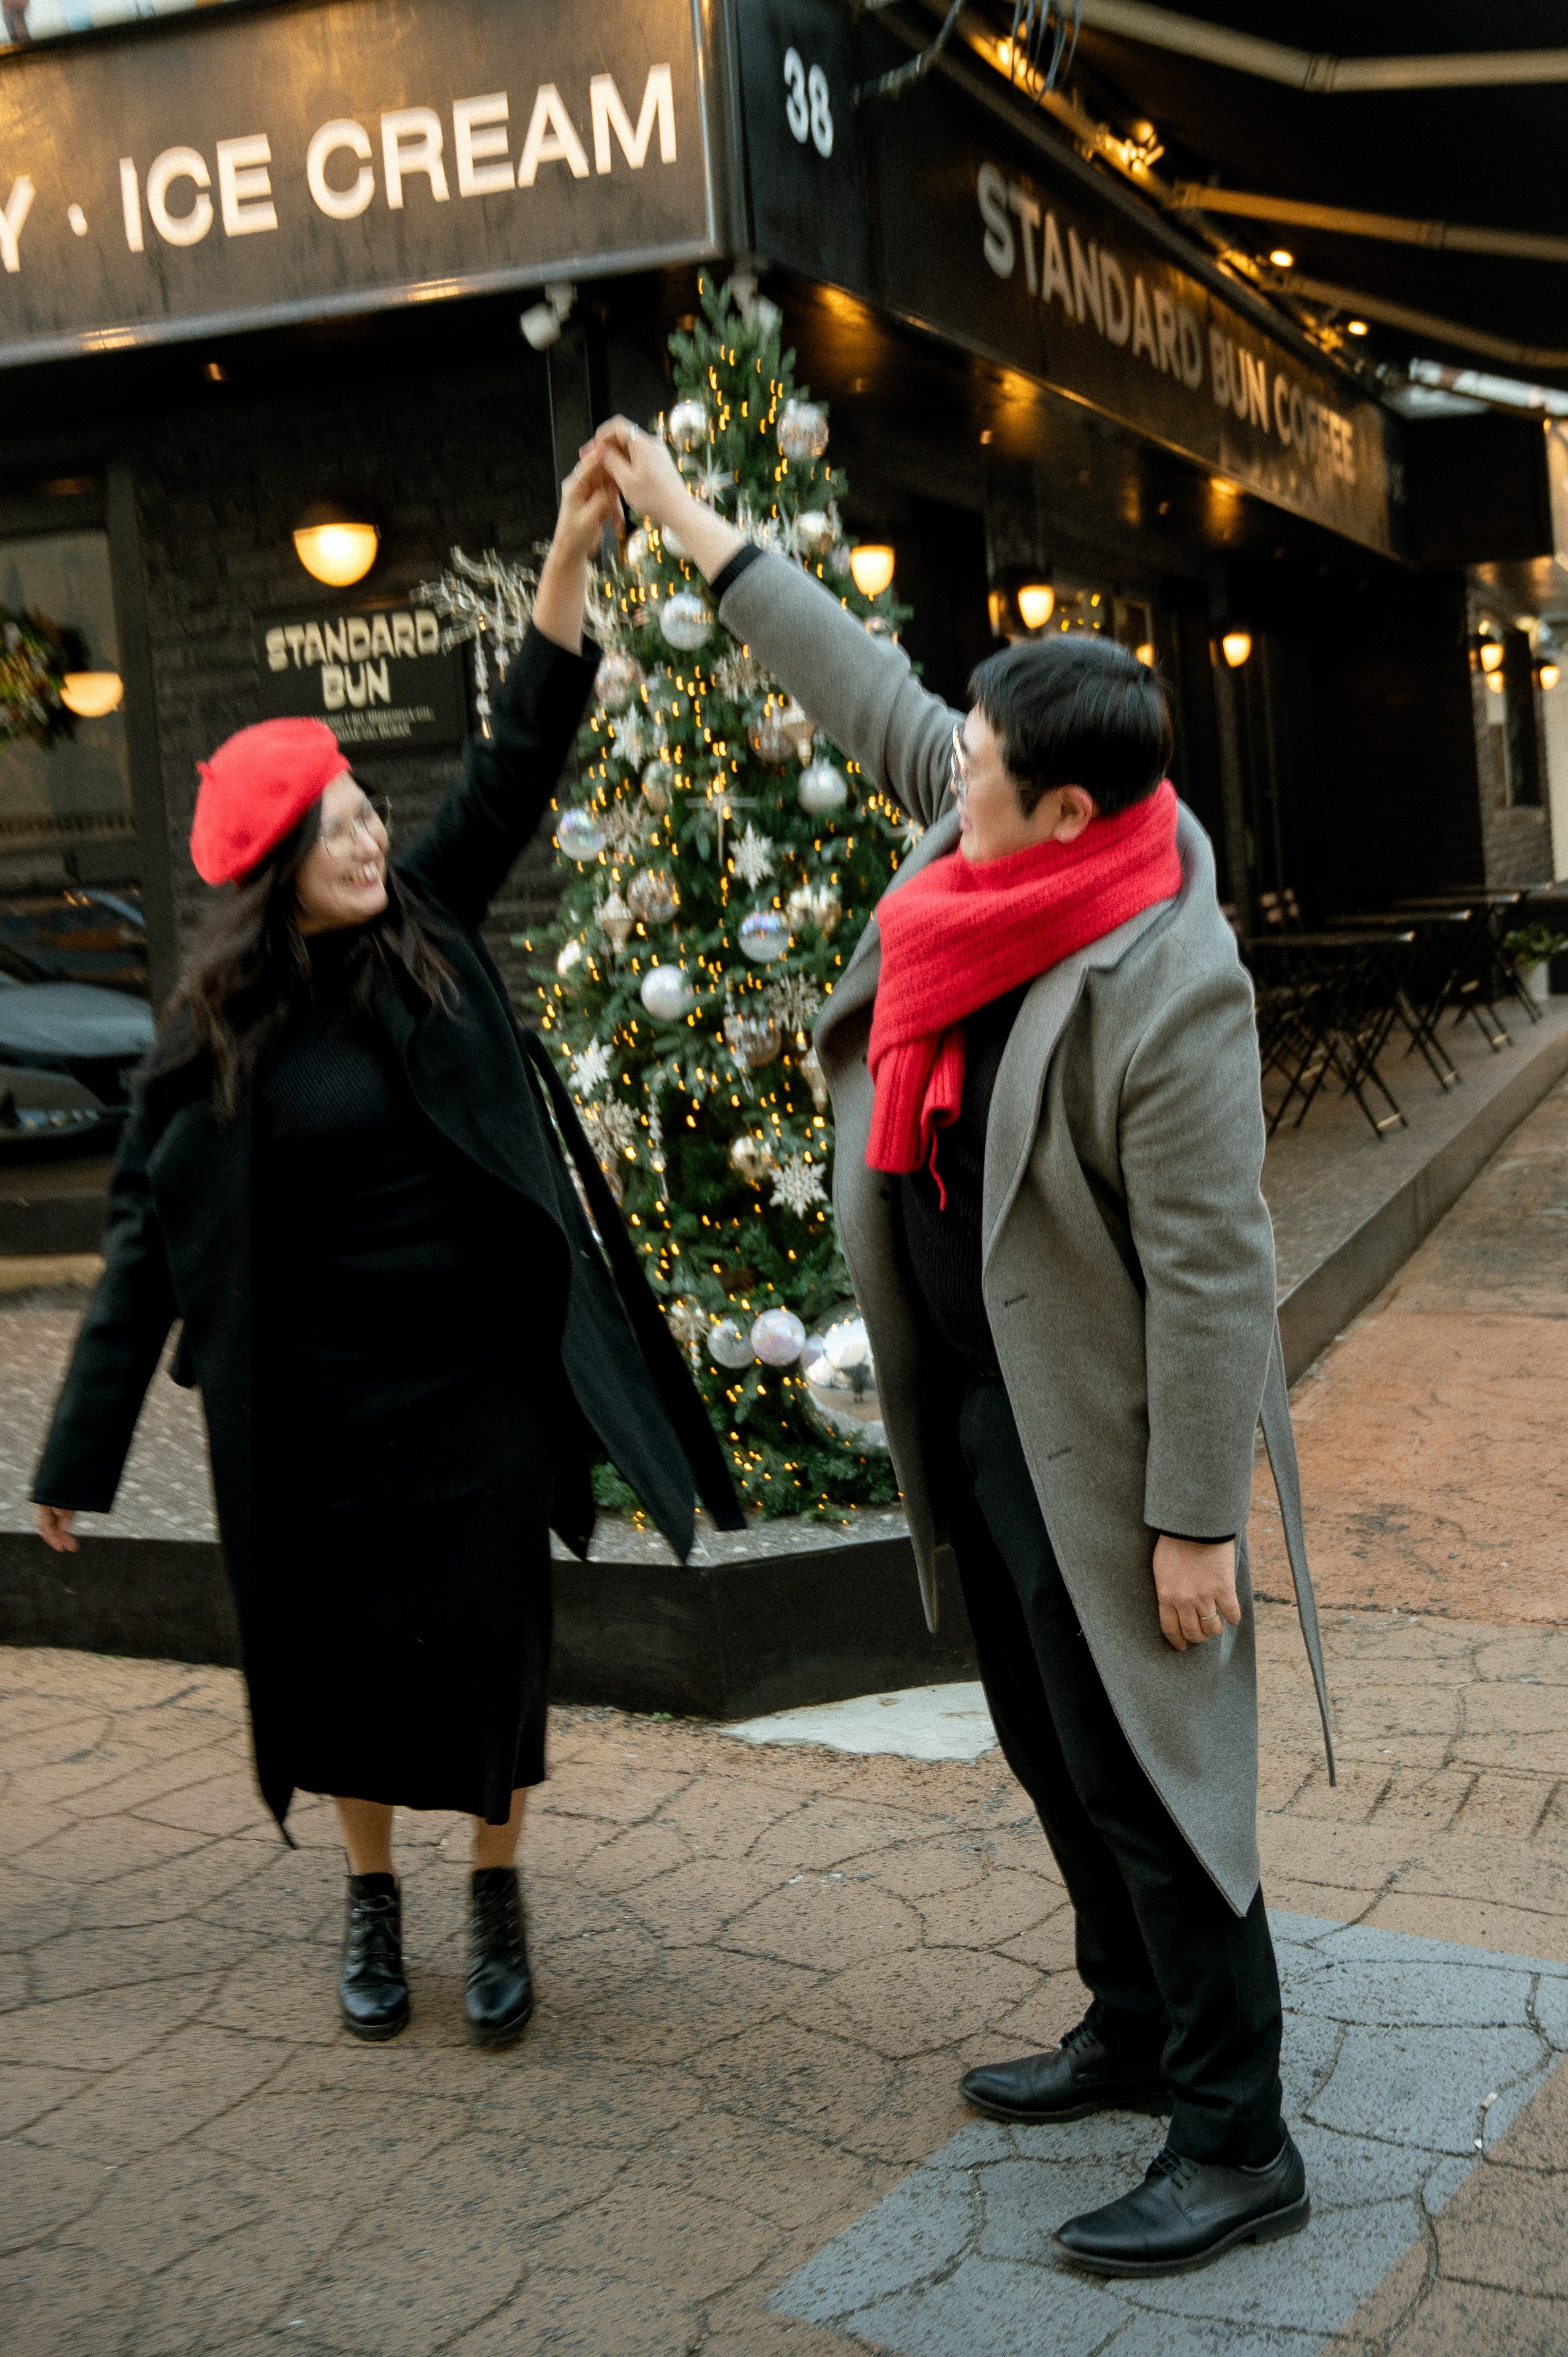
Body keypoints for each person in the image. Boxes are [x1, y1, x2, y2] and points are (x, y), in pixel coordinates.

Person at [593, 415, 1333, 2277]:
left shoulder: (1164, 974)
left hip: (1104, 1436)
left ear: (1067, 812)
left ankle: (1239, 2141)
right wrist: (687, 519)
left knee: (1156, 1771)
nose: (952, 767)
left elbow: (1220, 1267)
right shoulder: (988, 839)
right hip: (986, 1413)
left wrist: (1191, 1523)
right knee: (1043, 1737)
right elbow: (862, 687)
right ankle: (1134, 2026)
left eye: (984, 762)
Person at [32, 456, 741, 2050]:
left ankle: (494, 1889)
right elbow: (145, 1245)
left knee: (491, 1643)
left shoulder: (431, 919)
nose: (366, 841)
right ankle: (372, 1899)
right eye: (336, 830)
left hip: (475, 1382)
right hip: (318, 1400)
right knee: (344, 1657)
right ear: (272, 865)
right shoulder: (218, 1034)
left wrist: (567, 554)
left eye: (364, 814)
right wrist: (78, 1454)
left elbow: (522, 746)